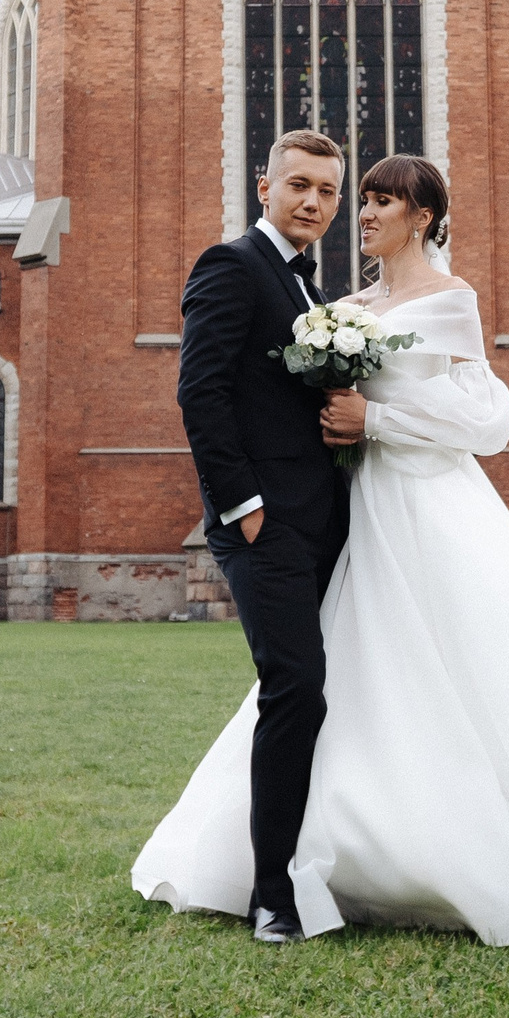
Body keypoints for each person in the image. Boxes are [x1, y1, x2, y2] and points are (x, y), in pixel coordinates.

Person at [137, 153, 509, 946]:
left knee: (477, 670)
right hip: (357, 512)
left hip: (430, 504)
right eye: (360, 199)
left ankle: (506, 847)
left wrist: (377, 422)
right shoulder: (338, 304)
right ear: (269, 189)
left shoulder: (453, 300)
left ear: (422, 216)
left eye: (379, 200)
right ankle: (313, 858)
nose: (363, 212)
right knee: (347, 675)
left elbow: (487, 421)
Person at [170, 128, 354, 944]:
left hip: (324, 520)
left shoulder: (315, 294)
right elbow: (199, 392)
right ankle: (270, 892)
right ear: (264, 186)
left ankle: (314, 854)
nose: (312, 200)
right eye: (299, 185)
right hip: (263, 525)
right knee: (295, 686)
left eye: (327, 190)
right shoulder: (231, 266)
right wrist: (241, 504)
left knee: (304, 693)